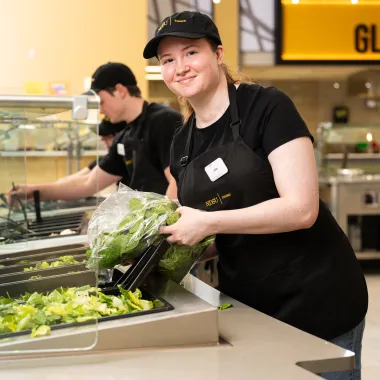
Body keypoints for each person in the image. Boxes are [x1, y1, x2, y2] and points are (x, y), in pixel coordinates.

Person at [145, 11, 368, 380]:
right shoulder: (181, 143)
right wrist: (168, 245)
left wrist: (207, 222)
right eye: (168, 60)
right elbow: (214, 230)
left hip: (318, 299)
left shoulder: (265, 107)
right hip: (252, 307)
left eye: (190, 52)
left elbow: (301, 209)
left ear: (217, 54)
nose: (179, 67)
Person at [9, 63, 182, 201]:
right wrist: (36, 191)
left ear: (120, 91)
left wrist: (162, 228)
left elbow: (177, 180)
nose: (100, 110)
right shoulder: (125, 135)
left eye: (101, 101)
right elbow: (88, 182)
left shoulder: (162, 120)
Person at [55, 118, 128, 185]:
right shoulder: (109, 159)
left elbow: (88, 183)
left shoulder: (123, 161)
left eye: (107, 136)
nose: (102, 139)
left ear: (121, 136)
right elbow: (80, 176)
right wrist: (57, 184)